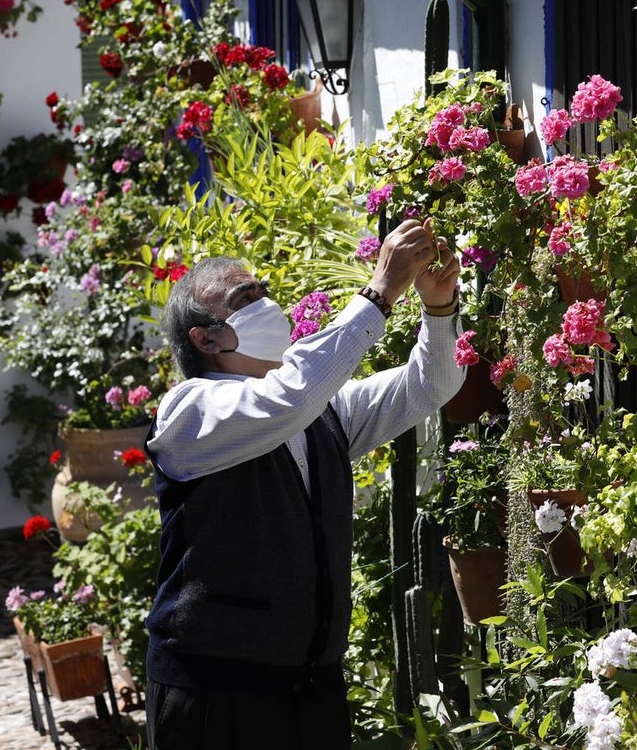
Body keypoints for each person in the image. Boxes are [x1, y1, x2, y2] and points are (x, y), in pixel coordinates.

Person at [142, 218, 465, 750]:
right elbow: (286, 399)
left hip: (312, 682)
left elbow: (428, 386)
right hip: (216, 688)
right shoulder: (188, 410)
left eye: (263, 290)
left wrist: (439, 308)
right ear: (205, 338)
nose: (266, 302)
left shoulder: (322, 411)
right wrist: (380, 291)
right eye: (245, 297)